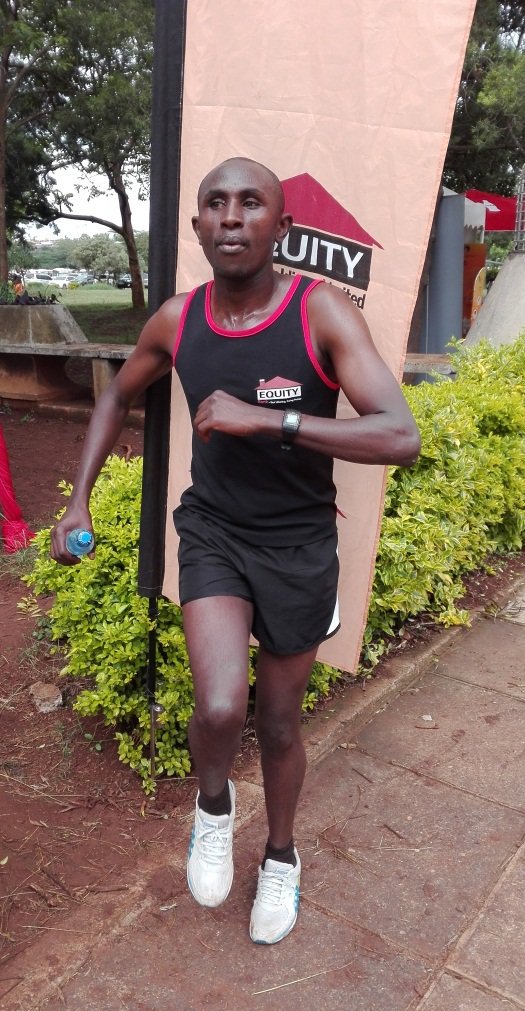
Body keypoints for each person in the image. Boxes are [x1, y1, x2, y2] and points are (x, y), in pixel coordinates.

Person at [51, 156, 421, 945]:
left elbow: (399, 434)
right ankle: (213, 808)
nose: (230, 217)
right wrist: (78, 497)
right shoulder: (178, 320)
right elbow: (118, 393)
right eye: (214, 205)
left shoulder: (320, 312)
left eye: (251, 204)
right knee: (220, 704)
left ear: (281, 227)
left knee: (280, 723)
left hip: (298, 547)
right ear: (195, 228)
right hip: (214, 531)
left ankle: (280, 858)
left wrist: (273, 419)